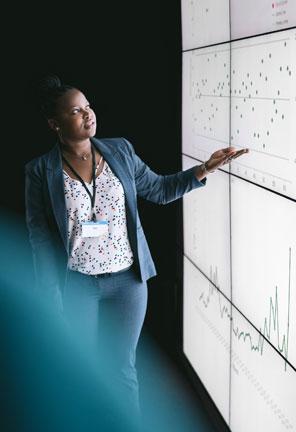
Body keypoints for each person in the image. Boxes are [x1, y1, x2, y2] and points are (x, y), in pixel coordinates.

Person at [24, 74, 248, 427]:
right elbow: (39, 238)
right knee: (78, 370)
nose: (87, 114)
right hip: (77, 285)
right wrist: (49, 296)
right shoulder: (39, 171)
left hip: (128, 283)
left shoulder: (120, 151)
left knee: (122, 370)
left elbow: (159, 190)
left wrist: (205, 168)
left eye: (88, 106)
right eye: (75, 111)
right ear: (55, 124)